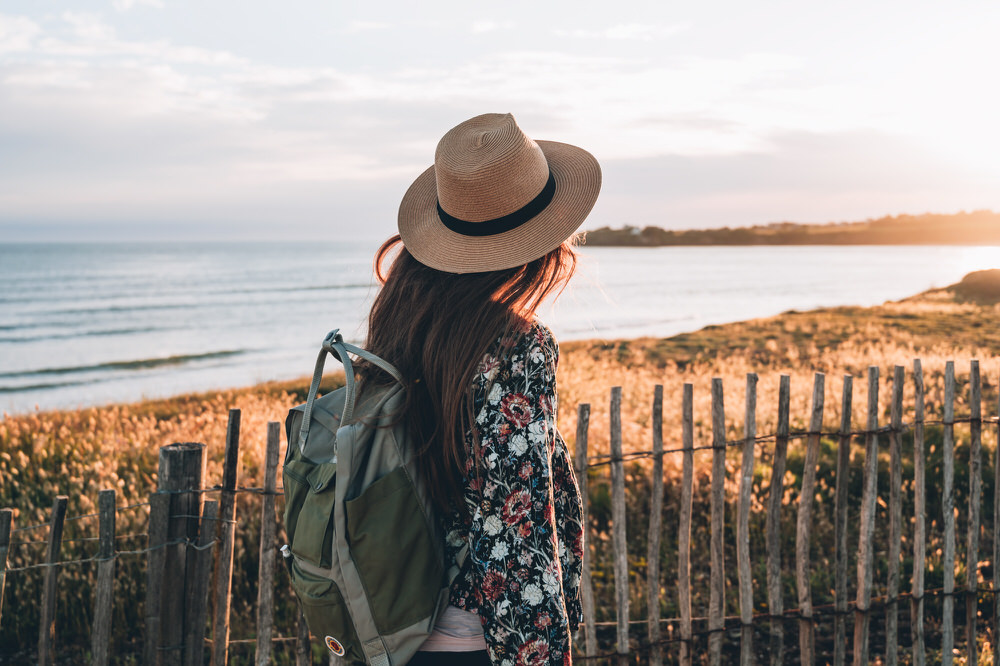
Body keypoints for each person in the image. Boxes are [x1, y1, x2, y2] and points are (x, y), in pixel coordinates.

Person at [359, 113, 601, 665]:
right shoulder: (519, 346)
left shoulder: (400, 320)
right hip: (478, 640)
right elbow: (516, 519)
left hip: (399, 627)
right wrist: (540, 655)